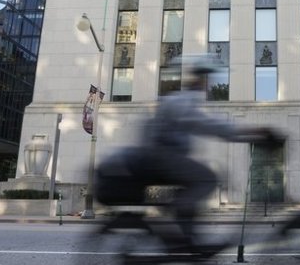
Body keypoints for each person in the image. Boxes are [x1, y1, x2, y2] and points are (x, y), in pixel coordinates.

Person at [111, 55, 279, 250]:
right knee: (207, 178)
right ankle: (179, 222)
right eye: (208, 80)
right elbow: (208, 125)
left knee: (197, 179)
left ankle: (186, 233)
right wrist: (253, 133)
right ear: (202, 79)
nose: (209, 85)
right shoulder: (182, 100)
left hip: (160, 157)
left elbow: (208, 123)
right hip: (158, 157)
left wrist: (246, 134)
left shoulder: (185, 100)